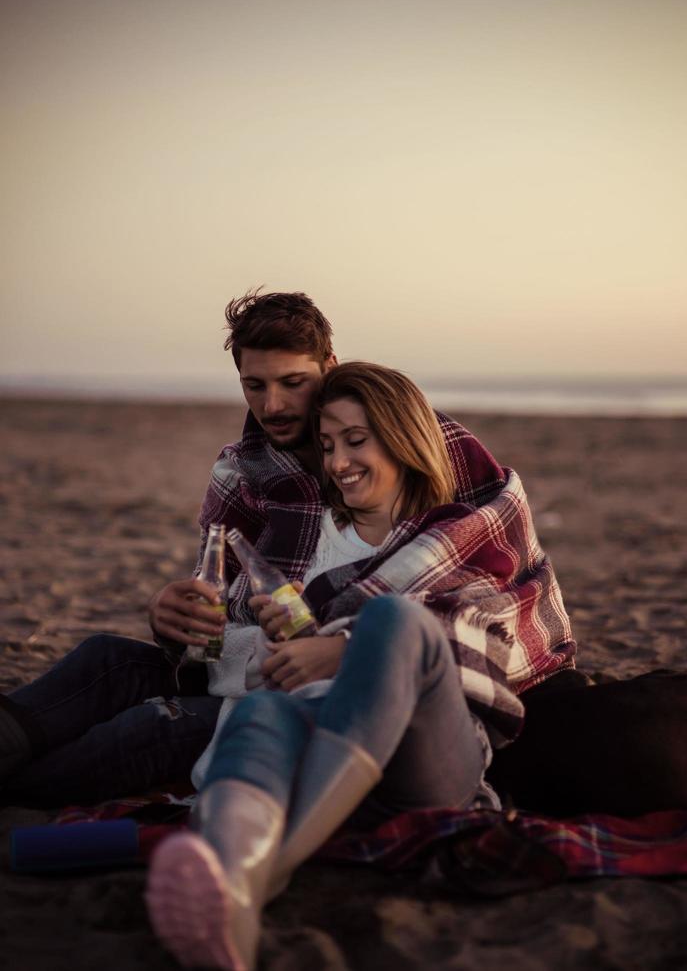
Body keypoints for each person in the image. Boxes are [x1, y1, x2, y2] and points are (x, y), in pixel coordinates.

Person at [2, 291, 565, 806]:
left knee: (154, 726)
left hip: (332, 692)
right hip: (246, 666)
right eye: (256, 385)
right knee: (106, 659)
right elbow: (217, 619)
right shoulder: (244, 470)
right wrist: (176, 620)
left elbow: (495, 581)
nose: (273, 406)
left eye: (293, 383)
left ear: (330, 368)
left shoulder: (423, 449)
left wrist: (342, 643)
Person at [145, 361, 575, 971]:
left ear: (403, 439)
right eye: (326, 446)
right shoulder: (323, 542)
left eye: (356, 440)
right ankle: (232, 886)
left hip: (423, 766)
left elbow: (477, 633)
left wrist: (346, 645)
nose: (339, 462)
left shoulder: (461, 530)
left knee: (395, 621)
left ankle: (275, 868)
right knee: (261, 710)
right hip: (319, 744)